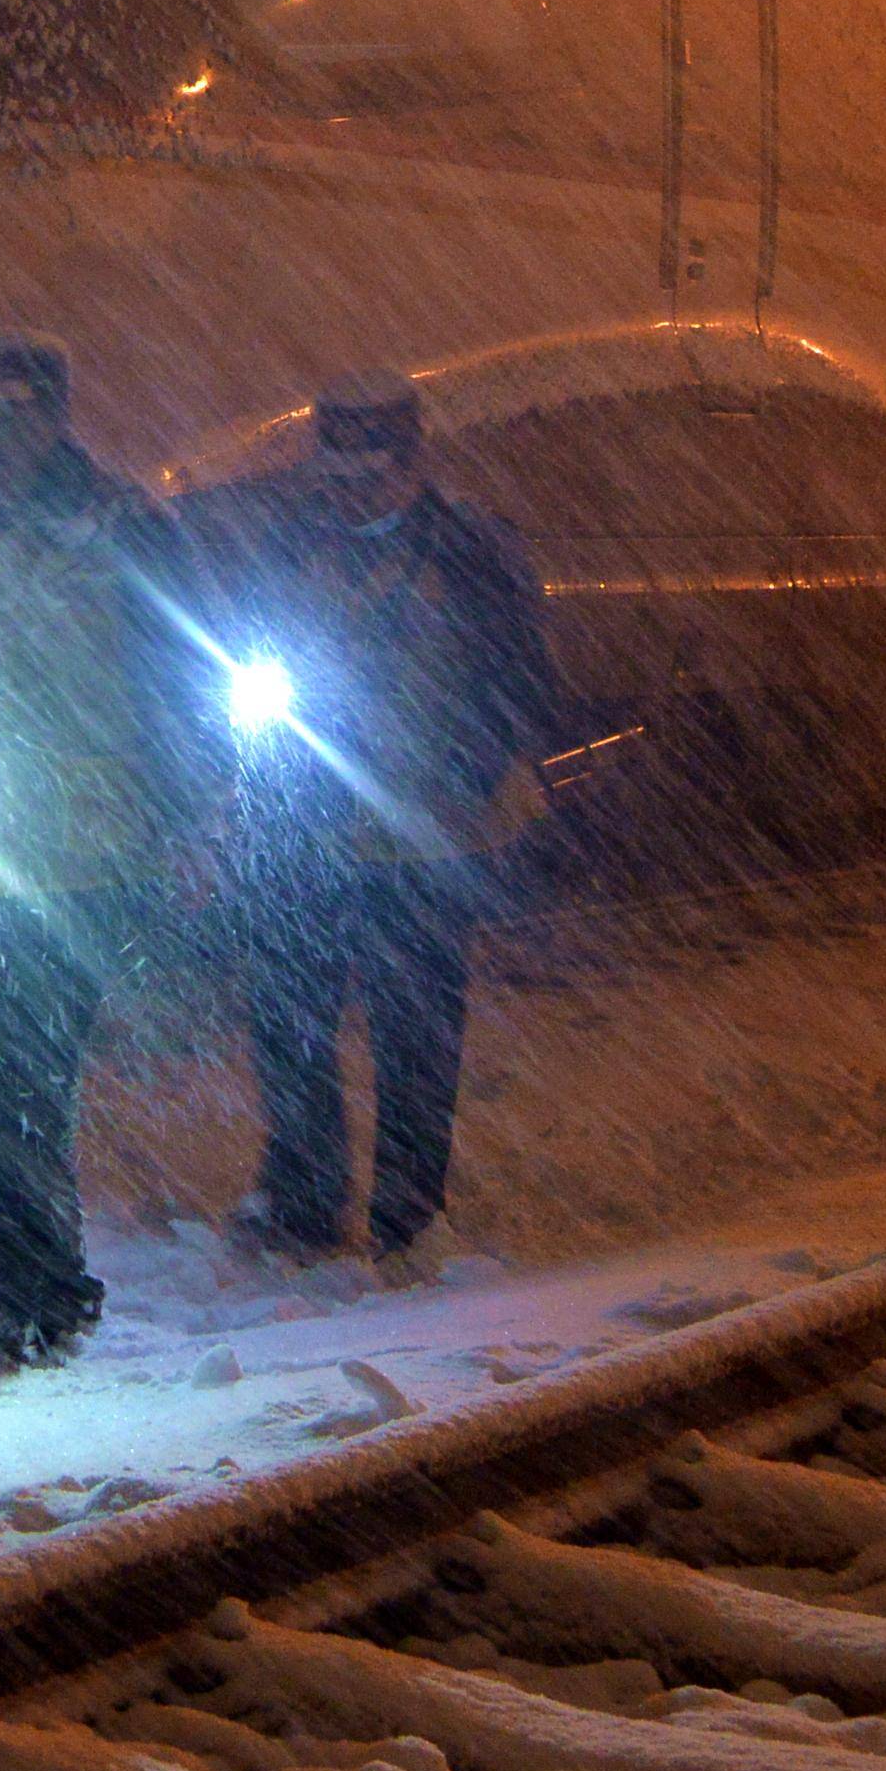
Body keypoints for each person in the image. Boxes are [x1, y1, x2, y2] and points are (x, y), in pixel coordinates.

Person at [0, 334, 216, 1369]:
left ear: (49, 415)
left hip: (85, 853)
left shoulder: (125, 526)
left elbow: (182, 682)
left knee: (30, 1070)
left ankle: (8, 1294)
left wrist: (196, 814)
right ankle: (44, 1284)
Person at [197, 369, 564, 1265]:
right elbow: (242, 665)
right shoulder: (290, 547)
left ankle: (407, 1215)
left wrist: (467, 775)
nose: (350, 492)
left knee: (414, 1037)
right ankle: (304, 1200)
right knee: (289, 1024)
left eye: (368, 474)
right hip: (305, 829)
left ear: (412, 462)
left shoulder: (475, 551)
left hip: (422, 833)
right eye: (336, 475)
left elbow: (523, 681)